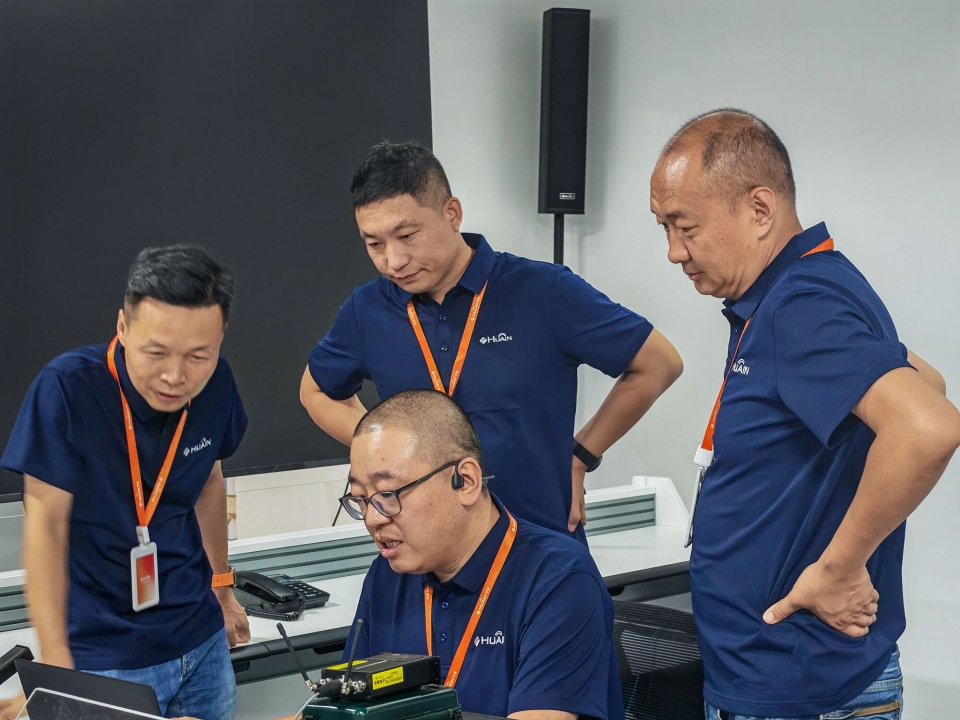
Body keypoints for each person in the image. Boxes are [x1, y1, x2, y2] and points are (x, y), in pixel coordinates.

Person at [649, 108, 960, 719]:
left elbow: (929, 426)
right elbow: (930, 384)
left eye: (685, 226)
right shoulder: (804, 286)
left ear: (760, 210)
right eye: (663, 228)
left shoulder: (800, 304)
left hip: (798, 687)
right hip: (788, 678)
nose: (673, 252)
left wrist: (838, 570)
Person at [302, 141, 682, 542]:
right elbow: (314, 391)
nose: (393, 261)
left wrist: (580, 457)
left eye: (407, 235)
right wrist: (385, 447)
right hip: (423, 551)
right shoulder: (368, 309)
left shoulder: (543, 291)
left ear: (452, 214)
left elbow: (659, 363)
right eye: (374, 244)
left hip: (537, 544)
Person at [0, 246, 250, 720]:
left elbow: (208, 483)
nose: (175, 376)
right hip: (104, 656)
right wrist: (56, 666)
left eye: (199, 355)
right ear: (122, 326)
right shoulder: (67, 389)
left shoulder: (217, 384)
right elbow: (45, 528)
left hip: (201, 642)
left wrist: (222, 587)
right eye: (156, 352)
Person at [339, 389, 624, 720]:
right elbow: (348, 705)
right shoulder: (388, 574)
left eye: (388, 494)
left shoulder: (560, 578)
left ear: (466, 481)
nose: (373, 519)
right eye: (361, 499)